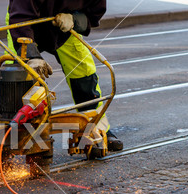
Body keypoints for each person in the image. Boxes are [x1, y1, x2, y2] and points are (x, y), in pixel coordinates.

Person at [7, 0, 123, 151]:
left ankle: (96, 128)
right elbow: (20, 17)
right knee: (14, 74)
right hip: (23, 27)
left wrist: (74, 20)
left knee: (83, 70)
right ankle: (10, 134)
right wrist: (31, 55)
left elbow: (95, 13)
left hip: (63, 28)